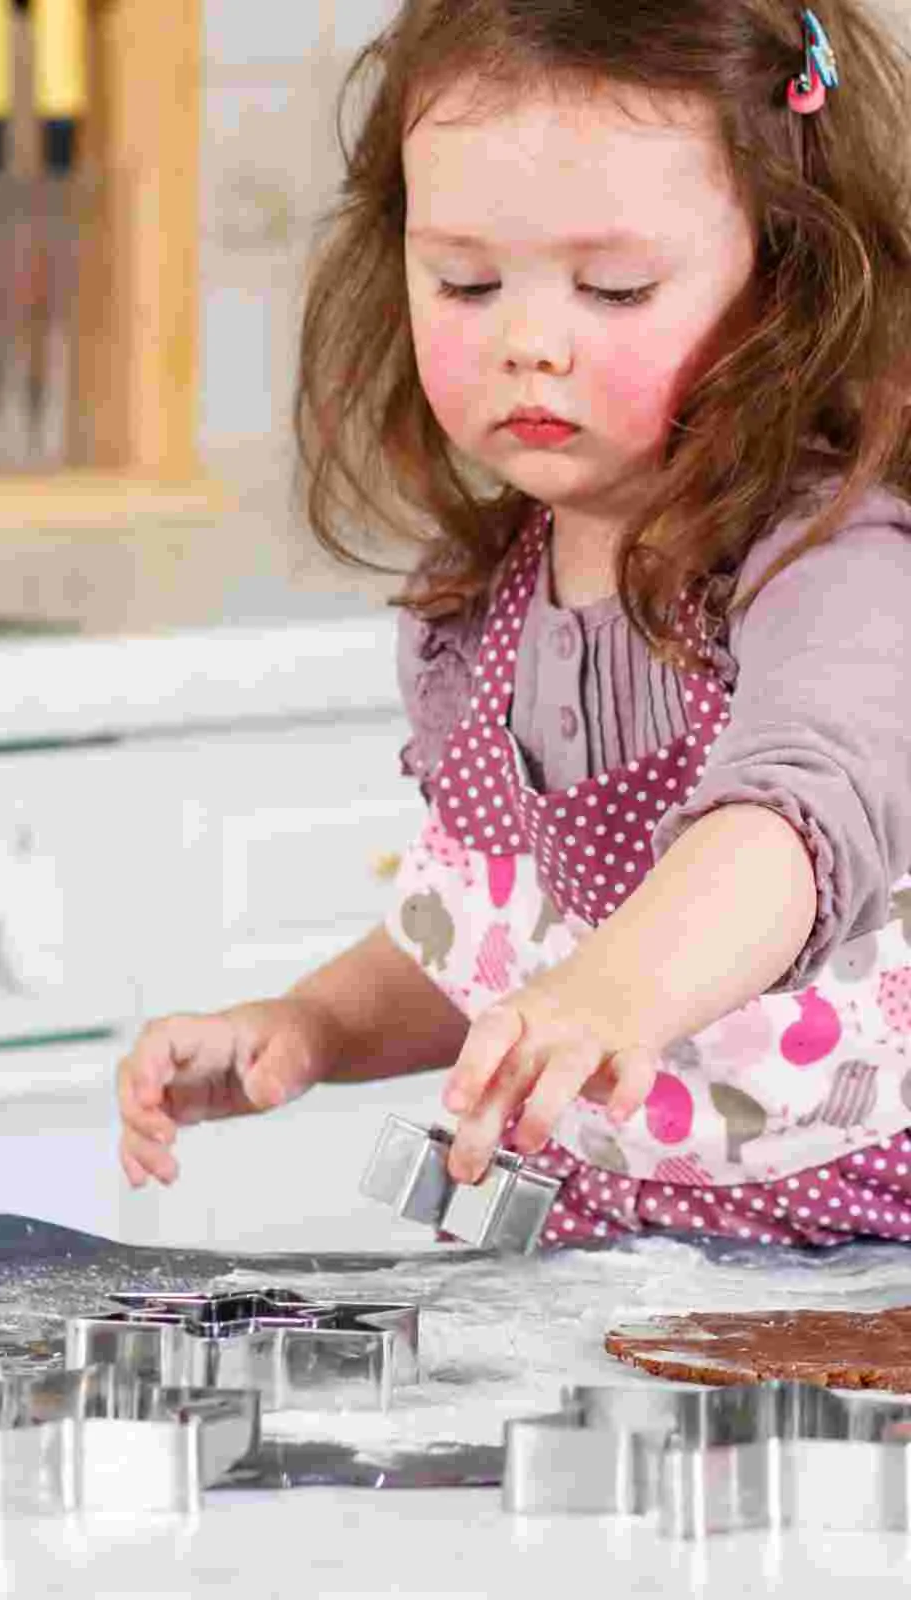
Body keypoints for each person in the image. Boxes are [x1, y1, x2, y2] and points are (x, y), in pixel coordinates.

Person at [117, 0, 911, 1250]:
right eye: (467, 281)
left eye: (614, 287)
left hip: (859, 1271)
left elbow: (789, 828)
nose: (528, 344)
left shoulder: (836, 567)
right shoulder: (473, 611)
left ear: (781, 281)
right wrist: (313, 1026)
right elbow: (485, 944)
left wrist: (611, 992)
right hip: (595, 1271)